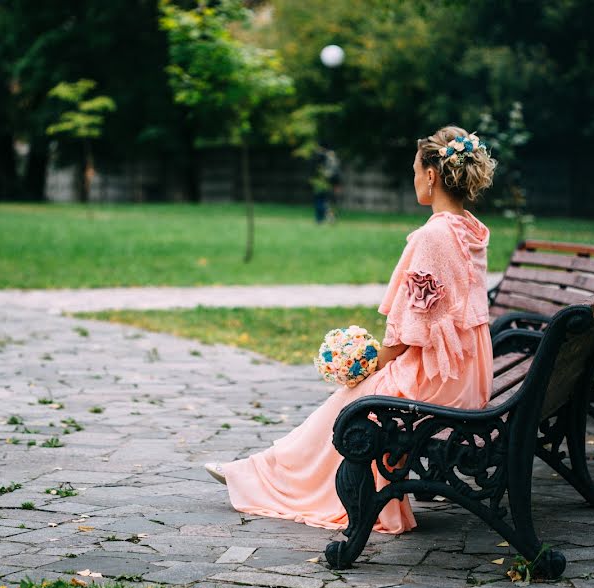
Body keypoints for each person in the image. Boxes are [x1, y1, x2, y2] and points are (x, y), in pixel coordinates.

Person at [205, 125, 498, 534]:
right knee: (354, 396)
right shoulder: (470, 227)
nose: (414, 178)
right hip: (469, 370)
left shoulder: (434, 235)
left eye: (415, 170)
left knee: (352, 403)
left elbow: (412, 328)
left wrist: (370, 362)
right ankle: (262, 468)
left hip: (443, 379)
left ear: (431, 175)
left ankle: (268, 476)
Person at [311, 143, 342, 223]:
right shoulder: (332, 157)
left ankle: (325, 217)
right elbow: (337, 172)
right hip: (326, 182)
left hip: (323, 182)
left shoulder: (323, 156)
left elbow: (334, 172)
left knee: (320, 201)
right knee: (323, 201)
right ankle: (322, 219)